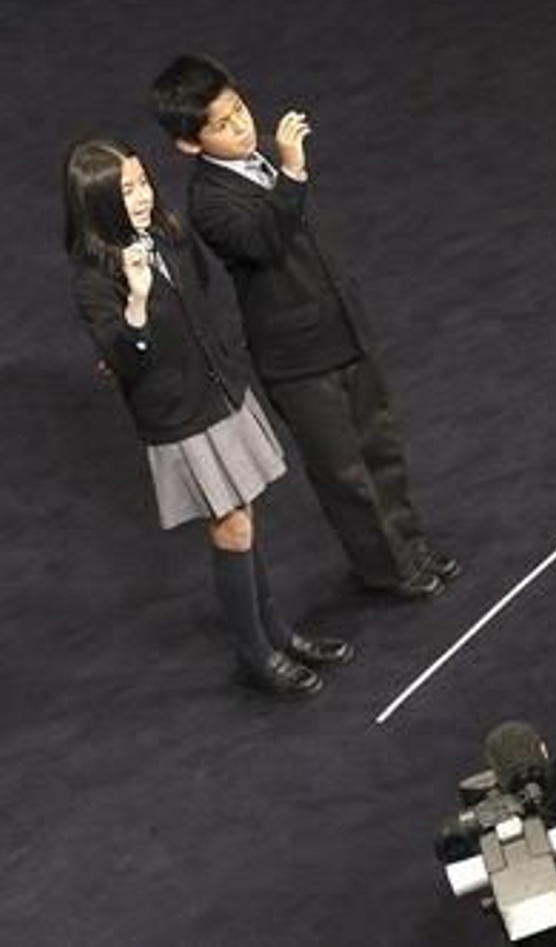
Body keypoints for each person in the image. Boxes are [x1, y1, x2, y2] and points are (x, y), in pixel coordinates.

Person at [150, 55, 457, 599]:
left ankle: (410, 545)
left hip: (343, 330)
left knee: (381, 447)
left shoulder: (265, 156)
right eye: (221, 125)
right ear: (189, 144)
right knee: (345, 473)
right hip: (297, 358)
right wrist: (291, 175)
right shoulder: (208, 200)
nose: (242, 125)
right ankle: (386, 570)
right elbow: (262, 242)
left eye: (239, 109)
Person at [65, 139, 352, 699]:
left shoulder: (169, 233)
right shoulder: (95, 280)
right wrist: (138, 305)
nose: (143, 196)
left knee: (243, 519)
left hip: (219, 389)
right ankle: (256, 654)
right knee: (234, 526)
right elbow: (125, 359)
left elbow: (199, 291)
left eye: (143, 182)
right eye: (126, 190)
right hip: (180, 417)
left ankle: (278, 635)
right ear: (97, 202)